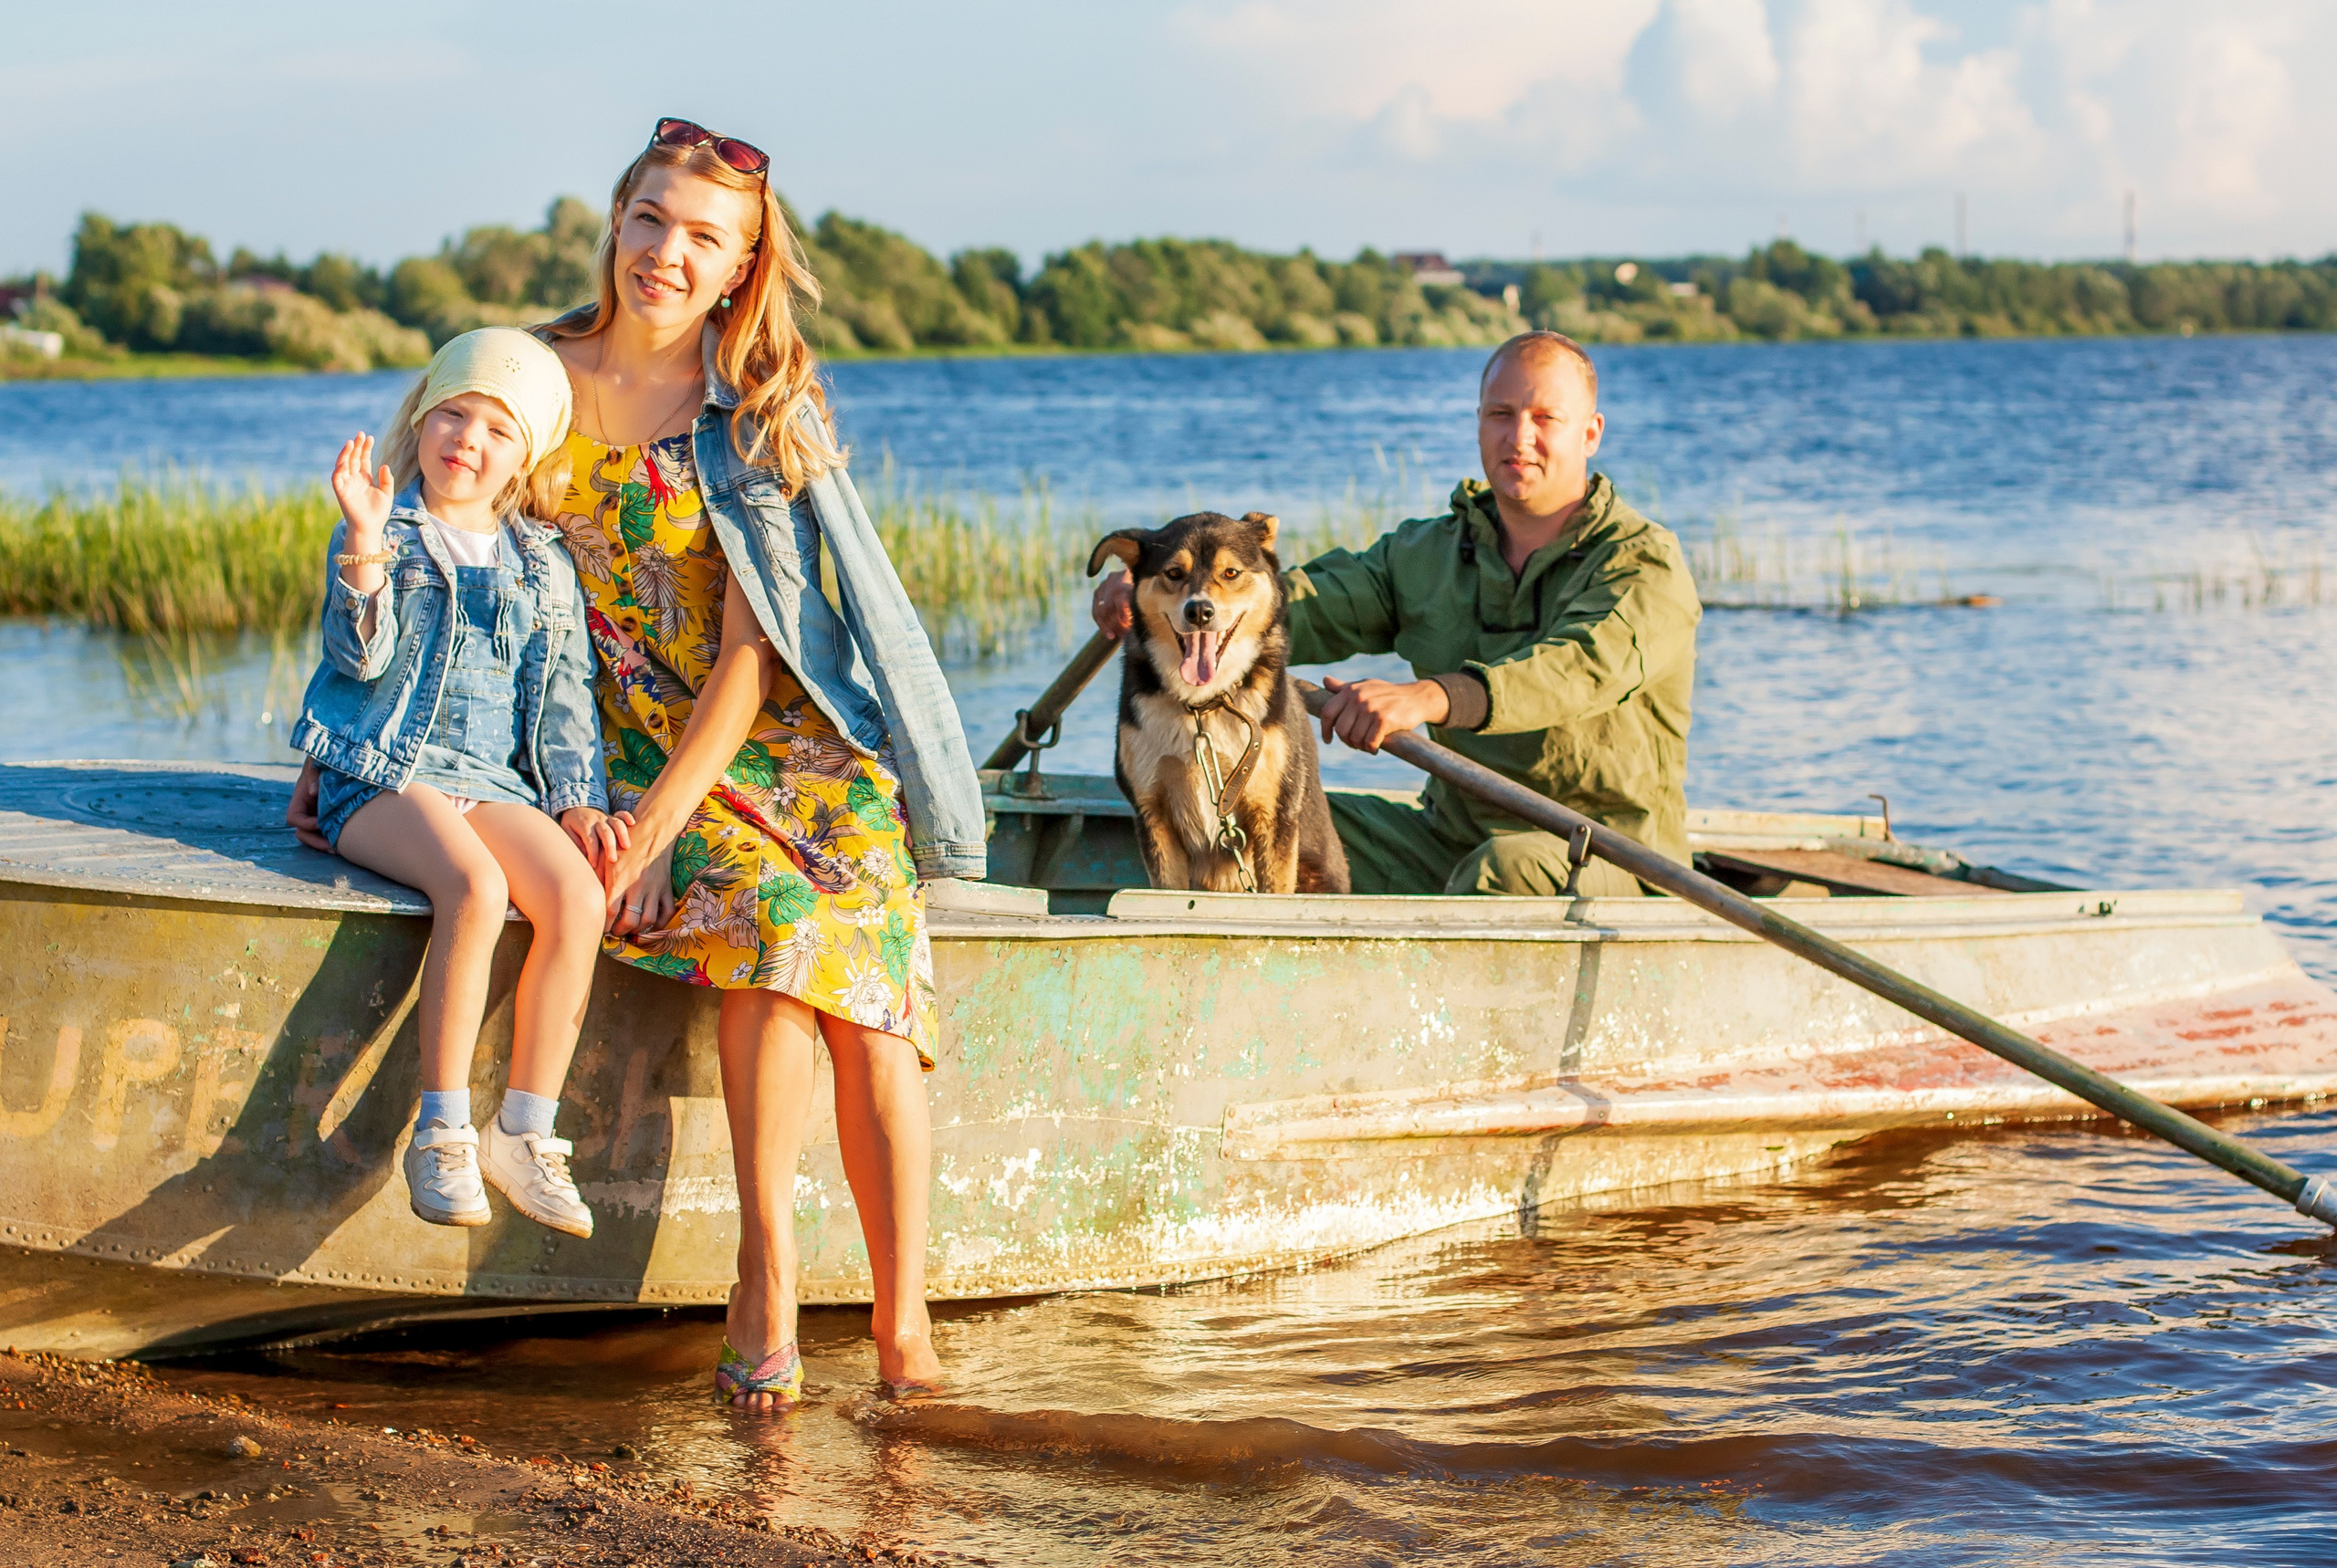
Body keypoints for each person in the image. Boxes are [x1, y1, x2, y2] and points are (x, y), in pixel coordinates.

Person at [300, 119, 988, 1406]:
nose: (669, 254)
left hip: (775, 746)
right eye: (651, 221)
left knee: (871, 983)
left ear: (742, 268)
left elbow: (752, 653)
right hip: (586, 746)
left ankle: (907, 1334)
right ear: (616, 221)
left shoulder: (757, 409)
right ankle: (767, 1271)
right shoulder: (526, 378)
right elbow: (411, 548)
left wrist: (666, 826)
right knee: (783, 933)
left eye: (705, 239)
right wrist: (359, 739)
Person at [1094, 331, 1700, 896]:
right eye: (1500, 414)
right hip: (1450, 835)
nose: (1519, 437)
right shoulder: (1433, 550)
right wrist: (1169, 598)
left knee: (1504, 870)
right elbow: (1291, 606)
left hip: (1607, 854)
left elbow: (1577, 669)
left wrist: (1429, 697)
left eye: (1545, 418)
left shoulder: (1645, 564)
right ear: (1480, 423)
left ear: (1590, 433)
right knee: (1277, 818)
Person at [290, 328, 614, 1239]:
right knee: (471, 887)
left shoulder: (541, 562)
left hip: (490, 783)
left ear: (527, 455)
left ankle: (525, 1131)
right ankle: (440, 1129)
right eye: (454, 413)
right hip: (381, 773)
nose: (468, 439)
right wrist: (360, 543)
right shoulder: (384, 530)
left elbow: (560, 696)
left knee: (577, 899)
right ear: (422, 417)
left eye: (497, 428)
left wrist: (576, 797)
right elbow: (357, 659)